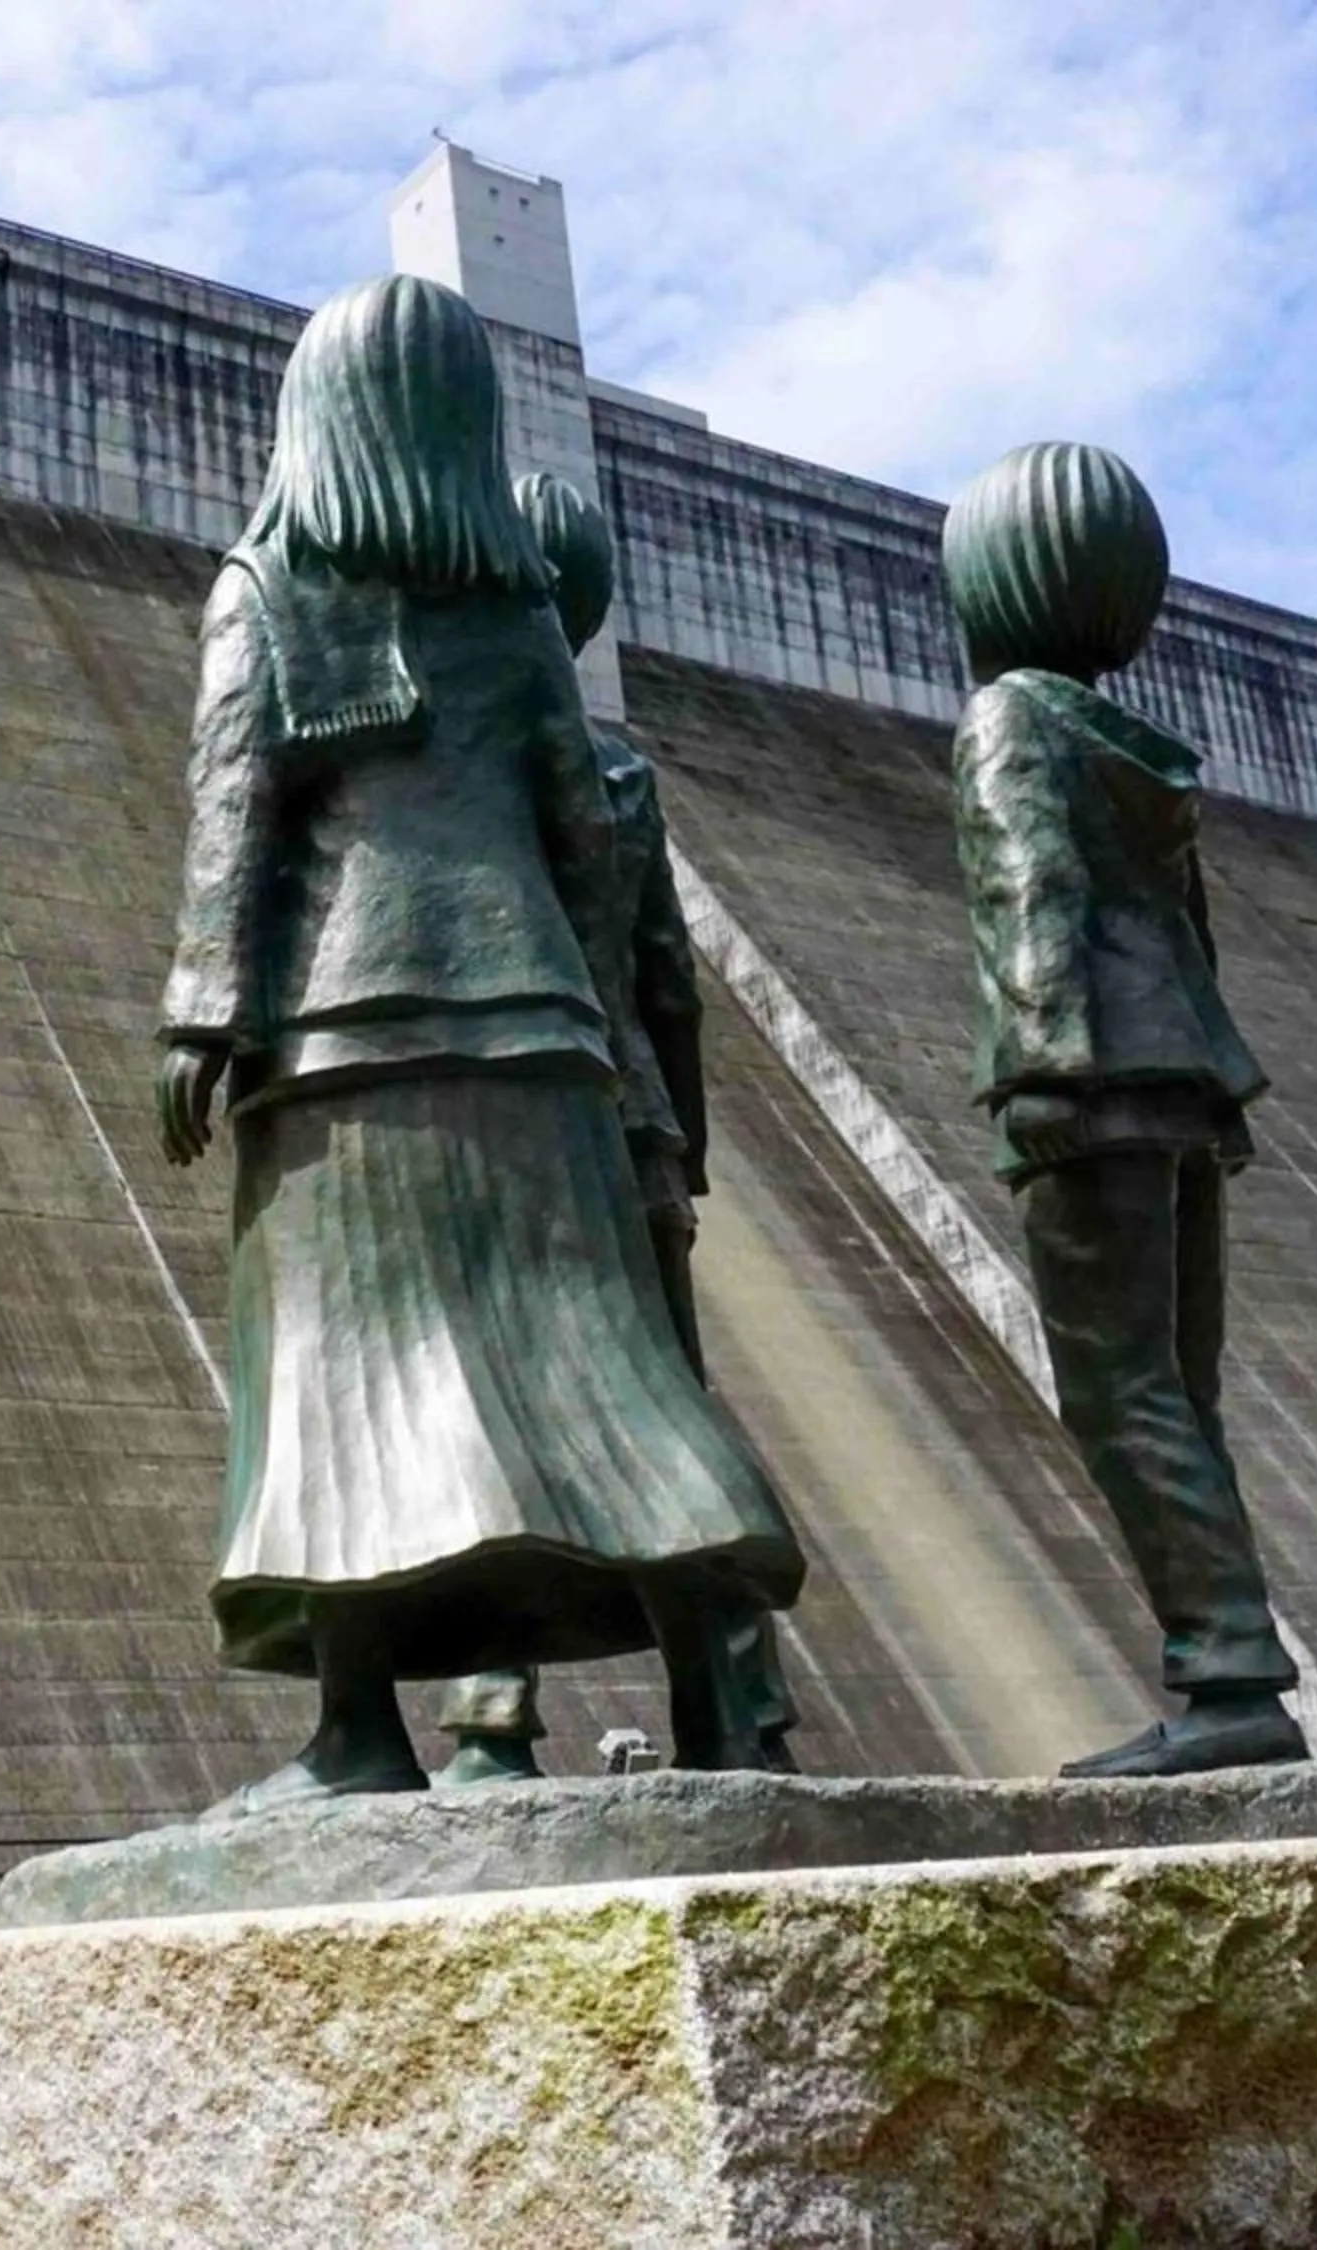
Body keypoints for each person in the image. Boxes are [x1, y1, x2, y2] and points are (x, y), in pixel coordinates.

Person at [156, 274, 803, 1819]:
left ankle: (360, 1729)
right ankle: (721, 1694)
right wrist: (597, 1041)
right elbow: (584, 844)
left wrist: (200, 1004)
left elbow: (236, 813)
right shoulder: (517, 614)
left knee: (338, 1381)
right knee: (607, 1368)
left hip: (345, 1046)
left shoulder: (269, 587)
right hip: (539, 1046)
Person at [942, 440, 1307, 1779]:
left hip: (1087, 1083)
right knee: (1182, 1391)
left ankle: (1225, 1678)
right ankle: (1239, 1677)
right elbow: (1190, 930)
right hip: (1185, 1079)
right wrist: (1221, 1104)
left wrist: (1036, 1065)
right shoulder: (1141, 744)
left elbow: (1029, 890)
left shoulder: (1010, 721)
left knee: (1117, 1390)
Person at [430, 471, 800, 1789]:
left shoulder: (472, 752)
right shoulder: (624, 770)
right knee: (669, 1418)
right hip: (632, 1133)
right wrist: (680, 1145)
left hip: (517, 1115)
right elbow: (667, 990)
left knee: (492, 1399)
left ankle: (490, 1718)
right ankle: (733, 1708)